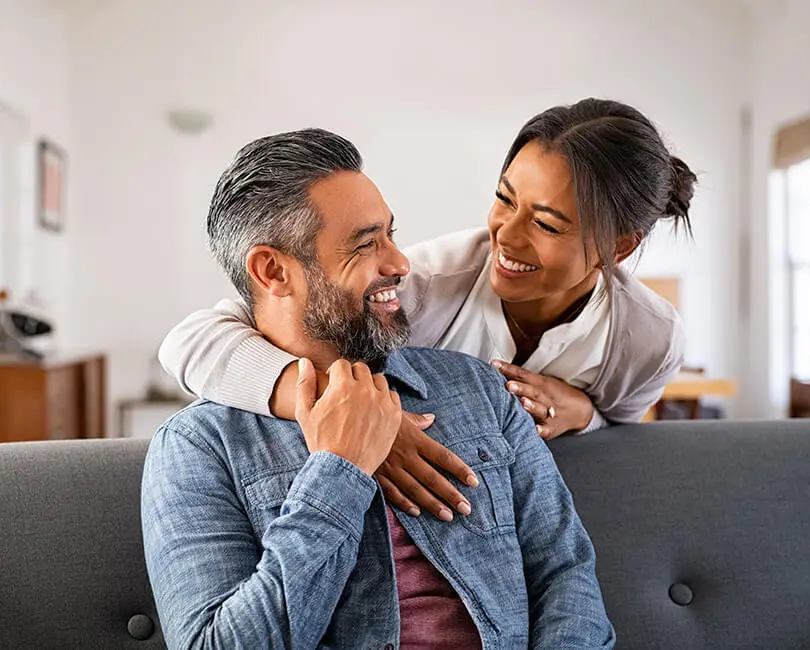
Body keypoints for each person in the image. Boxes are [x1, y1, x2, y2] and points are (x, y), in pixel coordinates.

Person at [141, 128, 614, 649]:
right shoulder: (198, 447)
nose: (400, 263)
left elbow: (566, 573)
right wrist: (337, 472)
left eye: (391, 234)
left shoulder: (480, 388)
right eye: (367, 244)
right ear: (273, 271)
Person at [159, 97, 696, 522]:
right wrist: (352, 413)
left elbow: (622, 437)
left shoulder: (647, 339)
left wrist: (585, 415)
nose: (505, 236)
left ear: (618, 247)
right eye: (504, 198)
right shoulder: (426, 284)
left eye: (547, 224)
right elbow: (192, 341)